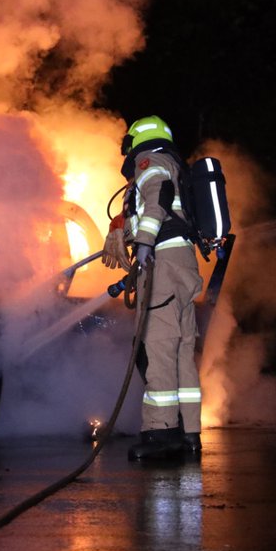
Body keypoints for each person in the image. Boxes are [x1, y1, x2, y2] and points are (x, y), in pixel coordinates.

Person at [102, 115, 205, 460]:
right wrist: (126, 230)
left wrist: (143, 243)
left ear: (133, 143)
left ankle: (161, 432)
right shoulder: (173, 161)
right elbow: (163, 207)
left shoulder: (151, 162)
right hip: (183, 263)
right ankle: (190, 432)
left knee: (158, 347)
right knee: (181, 351)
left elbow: (158, 197)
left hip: (161, 261)